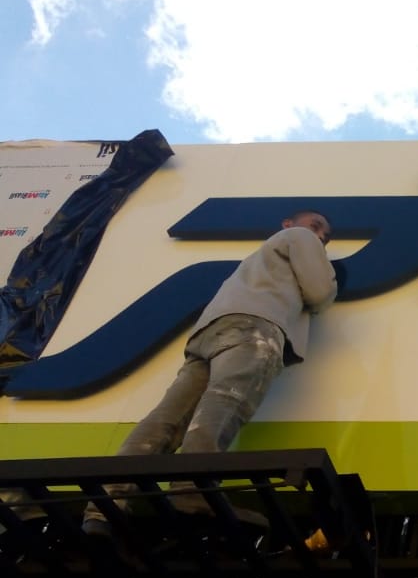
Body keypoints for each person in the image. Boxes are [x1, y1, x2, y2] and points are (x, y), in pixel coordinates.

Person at [83, 211, 337, 530]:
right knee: (226, 400)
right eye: (316, 226)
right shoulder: (299, 238)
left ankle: (105, 505)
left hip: (211, 331)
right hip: (255, 326)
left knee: (168, 418)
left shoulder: (257, 262)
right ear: (289, 223)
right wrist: (329, 281)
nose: (320, 236)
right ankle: (192, 491)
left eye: (325, 235)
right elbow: (319, 292)